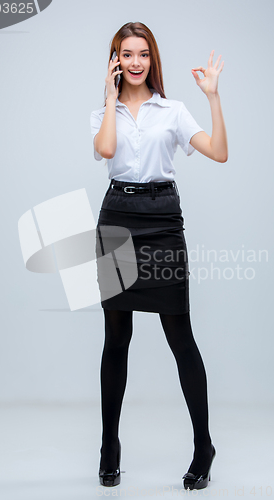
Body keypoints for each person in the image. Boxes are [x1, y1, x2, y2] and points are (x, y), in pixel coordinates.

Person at [90, 22, 228, 490]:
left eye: (142, 54)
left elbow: (220, 152)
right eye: (126, 54)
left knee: (180, 337)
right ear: (115, 60)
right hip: (117, 218)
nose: (134, 62)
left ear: (152, 59)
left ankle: (203, 446)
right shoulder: (101, 112)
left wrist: (212, 96)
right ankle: (110, 445)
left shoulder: (172, 110)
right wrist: (109, 98)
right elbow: (105, 149)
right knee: (116, 339)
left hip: (162, 221)